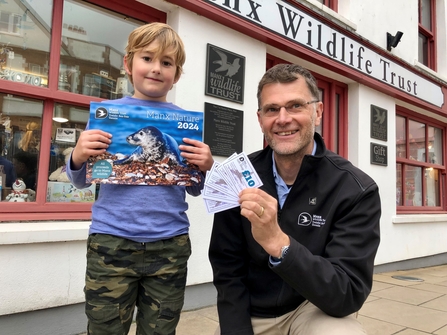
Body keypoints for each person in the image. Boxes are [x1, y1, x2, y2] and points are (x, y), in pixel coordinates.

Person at [209, 63, 381, 335]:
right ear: (260, 118)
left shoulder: (355, 189)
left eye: (296, 106)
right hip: (252, 312)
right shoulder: (237, 177)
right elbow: (227, 268)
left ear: (318, 112)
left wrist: (278, 243)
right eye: (272, 109)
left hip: (313, 308)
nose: (283, 118)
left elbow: (347, 293)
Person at [67, 22, 213, 335]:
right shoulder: (106, 115)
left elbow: (197, 188)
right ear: (128, 63)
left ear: (177, 74)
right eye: (147, 58)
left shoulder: (185, 126)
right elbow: (81, 180)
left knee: (160, 330)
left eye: (167, 62)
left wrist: (206, 166)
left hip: (169, 245)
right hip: (111, 242)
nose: (156, 68)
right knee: (105, 328)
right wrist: (78, 155)